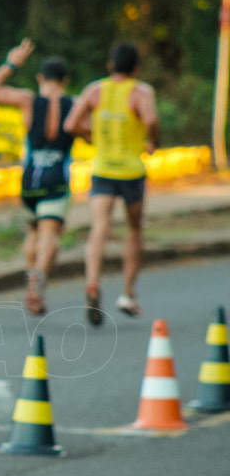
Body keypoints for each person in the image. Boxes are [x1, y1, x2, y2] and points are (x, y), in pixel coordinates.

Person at [63, 42, 160, 325]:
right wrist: (153, 139)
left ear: (110, 66)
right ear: (137, 68)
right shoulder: (141, 92)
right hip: (131, 171)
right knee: (133, 230)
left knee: (99, 228)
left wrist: (89, 134)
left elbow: (70, 125)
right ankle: (128, 294)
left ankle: (92, 284)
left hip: (102, 169)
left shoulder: (95, 90)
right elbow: (151, 119)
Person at [0, 38, 75, 315]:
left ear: (40, 78)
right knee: (50, 233)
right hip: (57, 178)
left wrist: (11, 63)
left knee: (33, 232)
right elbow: (90, 130)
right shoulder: (75, 103)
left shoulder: (27, 100)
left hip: (30, 179)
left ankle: (32, 274)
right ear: (65, 80)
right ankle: (38, 279)